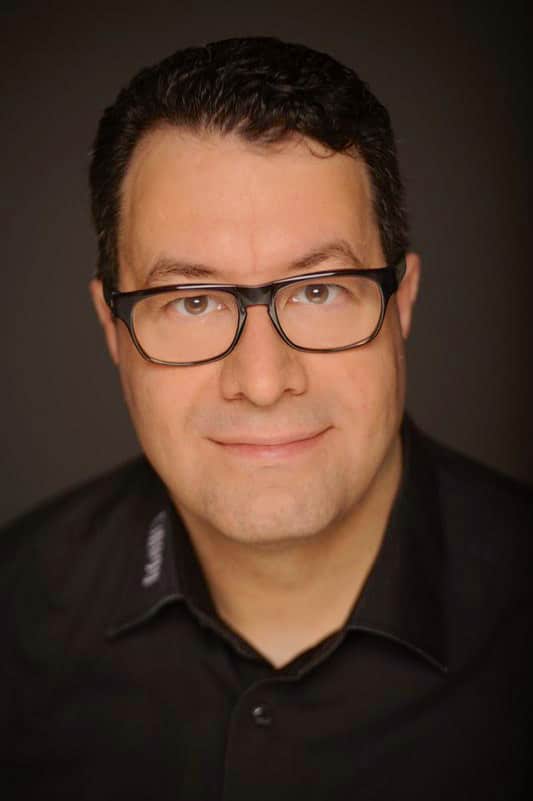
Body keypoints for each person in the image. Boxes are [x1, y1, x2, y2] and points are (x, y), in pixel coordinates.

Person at [1, 36, 531, 800]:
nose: (261, 379)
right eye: (190, 301)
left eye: (318, 289)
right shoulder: (13, 622)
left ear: (403, 300)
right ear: (112, 332)